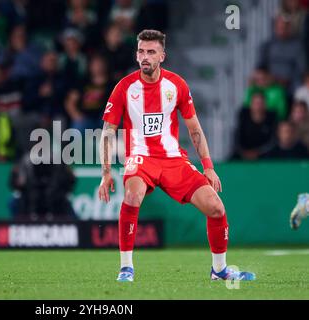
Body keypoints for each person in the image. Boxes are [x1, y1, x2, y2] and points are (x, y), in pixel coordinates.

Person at [98, 29, 256, 282]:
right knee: (132, 193)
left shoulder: (177, 85)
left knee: (216, 207)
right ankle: (126, 267)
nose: (145, 57)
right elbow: (107, 132)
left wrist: (208, 166)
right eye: (141, 51)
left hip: (173, 159)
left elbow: (195, 129)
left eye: (151, 52)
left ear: (162, 55)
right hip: (141, 157)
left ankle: (219, 270)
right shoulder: (124, 88)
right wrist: (106, 173)